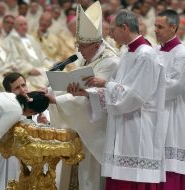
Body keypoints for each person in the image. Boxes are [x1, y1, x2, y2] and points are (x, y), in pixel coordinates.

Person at [68, 10, 166, 190]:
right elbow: (118, 89)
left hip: (138, 127)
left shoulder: (145, 55)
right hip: (124, 125)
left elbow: (134, 96)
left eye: (112, 30)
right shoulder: (128, 53)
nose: (110, 34)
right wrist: (87, 93)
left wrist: (105, 83)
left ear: (124, 27)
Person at [48, 2, 119, 190]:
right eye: (78, 44)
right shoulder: (85, 56)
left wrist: (57, 100)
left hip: (95, 127)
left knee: (90, 175)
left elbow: (95, 96)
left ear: (96, 45)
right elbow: (75, 85)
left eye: (82, 46)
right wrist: (51, 92)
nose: (78, 49)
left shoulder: (110, 62)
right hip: (80, 124)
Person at [0, 72, 49, 190]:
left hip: (31, 154)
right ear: (9, 92)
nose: (23, 90)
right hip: (10, 153)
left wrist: (43, 124)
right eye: (17, 88)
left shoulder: (33, 101)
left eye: (23, 85)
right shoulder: (8, 106)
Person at [154, 9, 185, 190]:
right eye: (155, 26)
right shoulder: (154, 50)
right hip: (154, 112)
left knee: (170, 164)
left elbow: (176, 87)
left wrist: (149, 85)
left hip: (172, 113)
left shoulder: (181, 54)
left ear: (173, 27)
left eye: (160, 27)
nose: (156, 30)